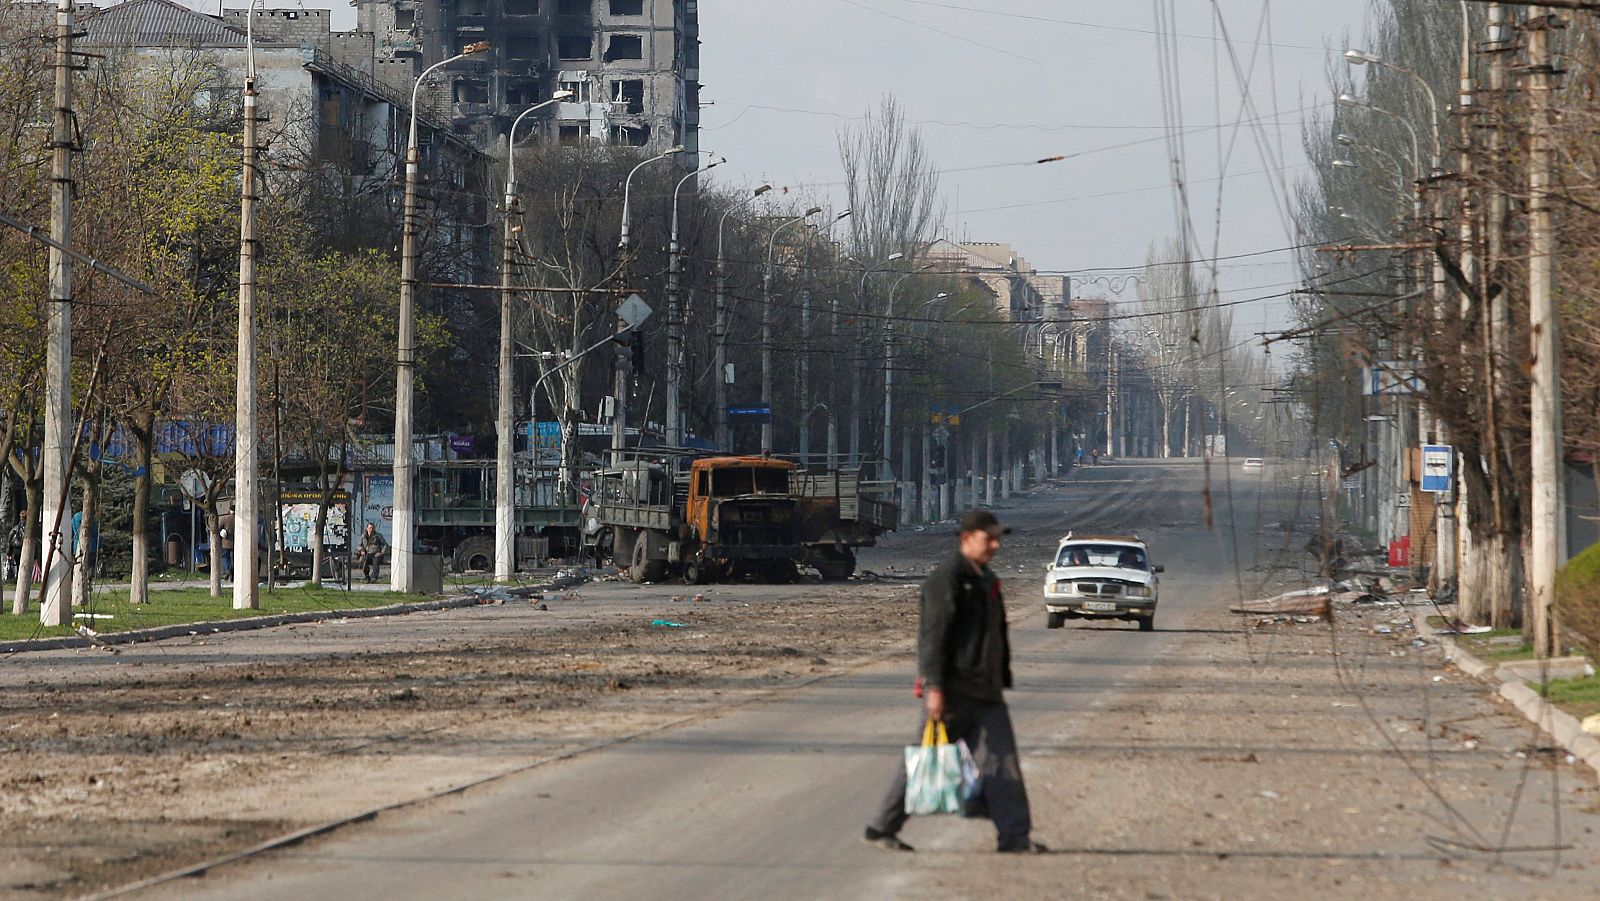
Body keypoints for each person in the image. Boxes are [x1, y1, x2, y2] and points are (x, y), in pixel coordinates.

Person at [864, 509, 1047, 854]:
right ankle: (882, 826)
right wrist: (933, 688)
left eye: (997, 539)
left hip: (984, 690)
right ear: (966, 539)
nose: (995, 545)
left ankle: (1014, 837)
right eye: (987, 538)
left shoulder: (984, 579)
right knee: (925, 759)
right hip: (953, 691)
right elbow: (932, 639)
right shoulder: (946, 580)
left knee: (1001, 760)